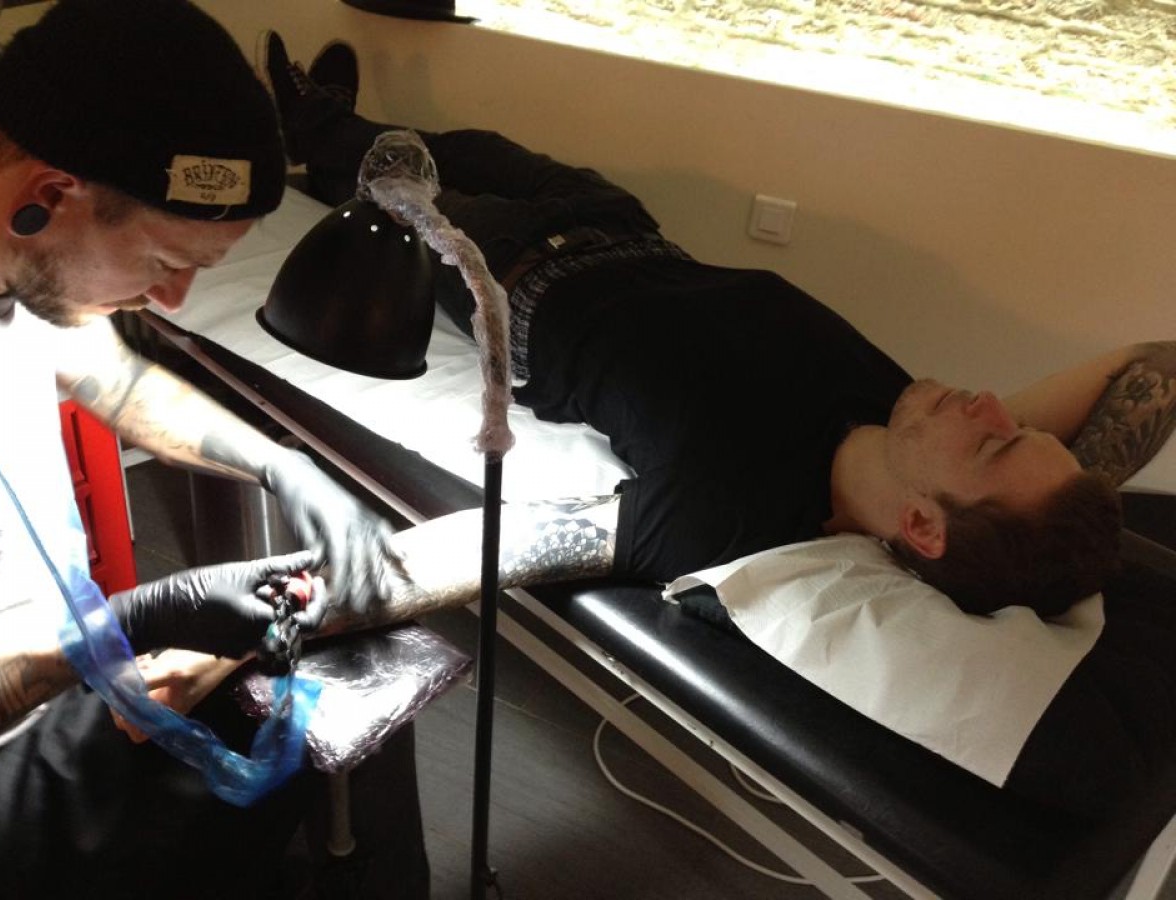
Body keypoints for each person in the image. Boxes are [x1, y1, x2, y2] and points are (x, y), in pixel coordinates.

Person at [261, 33, 1172, 625]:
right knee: (465, 144)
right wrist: (1070, 461)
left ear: (921, 527)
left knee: (401, 177)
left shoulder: (729, 508)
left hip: (505, 265)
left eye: (997, 442)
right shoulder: (909, 424)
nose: (993, 405)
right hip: (615, 221)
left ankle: (306, 127)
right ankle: (331, 130)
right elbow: (1144, 370)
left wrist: (271, 612)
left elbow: (494, 549)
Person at [0, 4, 425, 899]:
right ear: (51, 194)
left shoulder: (19, 265)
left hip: (70, 675)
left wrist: (278, 464)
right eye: (162, 261)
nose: (173, 301)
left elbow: (110, 375)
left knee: (362, 656)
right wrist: (132, 629)